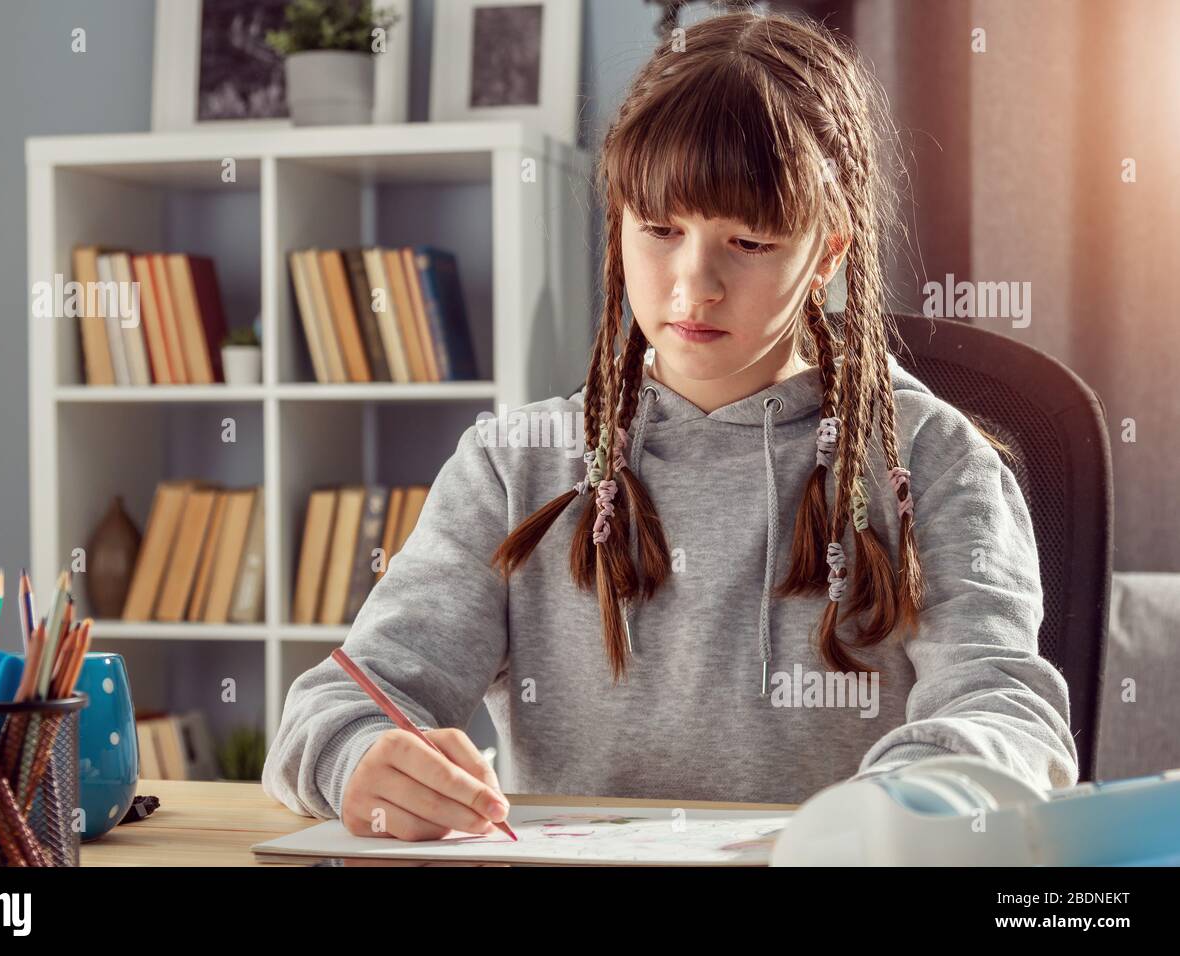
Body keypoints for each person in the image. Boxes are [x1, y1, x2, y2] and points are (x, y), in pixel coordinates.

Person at [262, 7, 1077, 841]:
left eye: (750, 241)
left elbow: (1005, 716)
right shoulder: (514, 466)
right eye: (659, 230)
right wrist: (357, 756)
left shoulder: (937, 464)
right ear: (618, 224)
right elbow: (334, 707)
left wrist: (900, 812)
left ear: (828, 253)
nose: (695, 286)